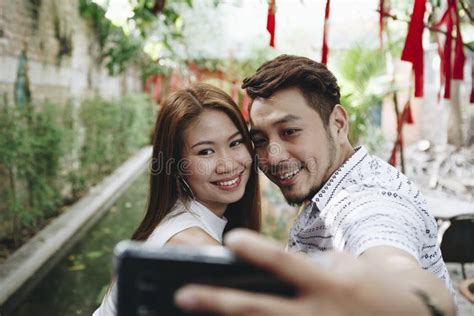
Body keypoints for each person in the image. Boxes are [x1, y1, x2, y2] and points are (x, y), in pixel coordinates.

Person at [174, 55, 457, 315]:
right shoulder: (330, 184)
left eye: (290, 132)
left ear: (338, 122)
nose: (273, 155)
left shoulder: (368, 202)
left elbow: (394, 264)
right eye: (260, 140)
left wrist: (416, 304)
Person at [93, 83, 261, 315]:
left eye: (235, 143)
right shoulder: (192, 244)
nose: (229, 164)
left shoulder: (184, 215)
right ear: (176, 166)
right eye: (206, 151)